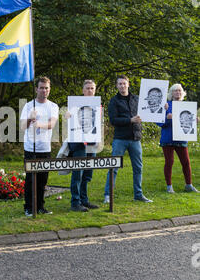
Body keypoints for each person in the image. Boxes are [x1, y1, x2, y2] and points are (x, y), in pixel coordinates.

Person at [103, 74, 153, 203]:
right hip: (120, 139)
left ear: (128, 84)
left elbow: (150, 110)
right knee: (114, 167)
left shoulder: (137, 99)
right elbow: (113, 120)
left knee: (138, 168)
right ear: (117, 86)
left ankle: (138, 195)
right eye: (120, 84)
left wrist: (162, 108)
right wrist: (130, 120)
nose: (122, 86)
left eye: (124, 83)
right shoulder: (114, 101)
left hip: (135, 138)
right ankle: (108, 195)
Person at [20, 77, 59, 216]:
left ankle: (40, 206)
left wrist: (39, 124)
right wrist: (30, 119)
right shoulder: (29, 106)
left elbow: (52, 125)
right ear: (36, 89)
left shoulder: (53, 106)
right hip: (31, 147)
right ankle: (29, 208)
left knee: (43, 179)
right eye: (41, 88)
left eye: (46, 88)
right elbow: (23, 126)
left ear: (49, 89)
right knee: (31, 179)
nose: (44, 90)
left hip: (45, 148)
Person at [157, 83, 198, 193]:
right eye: (175, 91)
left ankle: (189, 185)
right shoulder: (165, 105)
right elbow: (159, 123)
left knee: (186, 162)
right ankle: (169, 186)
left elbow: (188, 124)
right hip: (168, 138)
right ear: (171, 93)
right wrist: (168, 118)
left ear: (182, 93)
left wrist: (195, 120)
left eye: (179, 91)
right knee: (169, 162)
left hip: (181, 138)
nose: (178, 93)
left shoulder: (187, 107)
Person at [68, 79, 100, 212]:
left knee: (87, 174)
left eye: (92, 88)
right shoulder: (74, 104)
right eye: (87, 88)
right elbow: (70, 123)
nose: (90, 90)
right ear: (82, 90)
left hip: (91, 143)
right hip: (78, 143)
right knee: (78, 174)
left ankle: (84, 200)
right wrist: (68, 115)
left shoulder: (97, 105)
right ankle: (75, 202)